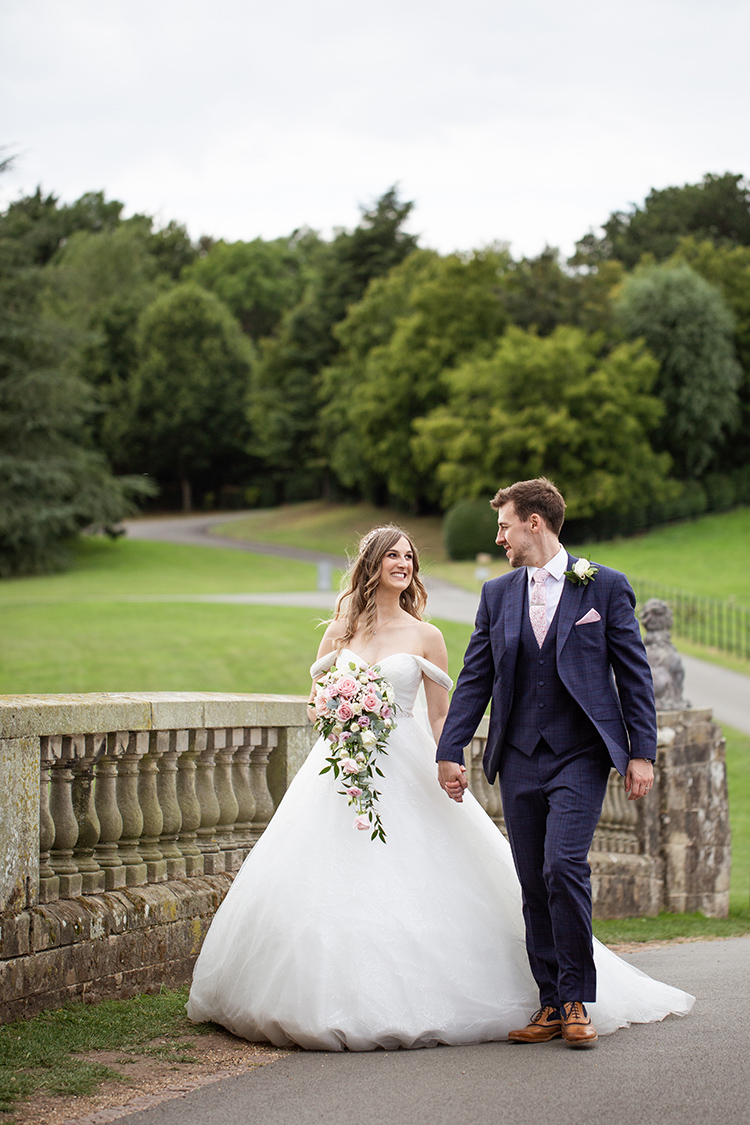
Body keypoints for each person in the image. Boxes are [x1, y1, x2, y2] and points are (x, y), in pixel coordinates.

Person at [187, 523, 693, 1051]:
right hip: (341, 768)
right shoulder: (339, 631)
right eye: (394, 556)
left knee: (551, 868)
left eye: (410, 557)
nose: (404, 564)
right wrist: (342, 713)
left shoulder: (427, 635)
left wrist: (448, 756)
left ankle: (569, 999)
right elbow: (316, 702)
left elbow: (444, 711)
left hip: (419, 766)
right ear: (371, 564)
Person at [436, 477, 663, 1048]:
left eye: (505, 525)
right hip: (517, 758)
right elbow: (476, 680)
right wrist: (450, 748)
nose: (499, 536)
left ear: (534, 523)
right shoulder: (497, 594)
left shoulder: (604, 587)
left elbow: (634, 675)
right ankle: (548, 1003)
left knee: (564, 868)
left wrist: (642, 752)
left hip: (581, 755)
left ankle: (576, 1000)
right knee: (533, 882)